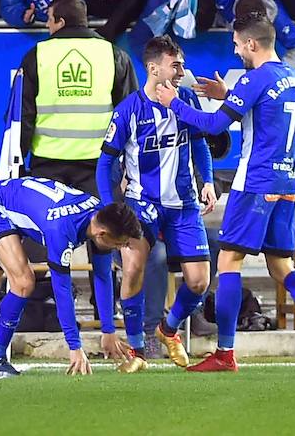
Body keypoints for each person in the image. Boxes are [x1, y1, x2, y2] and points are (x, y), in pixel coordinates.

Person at [154, 13, 295, 372]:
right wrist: (229, 95)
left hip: (255, 182)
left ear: (251, 43)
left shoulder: (255, 78)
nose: (235, 51)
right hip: (287, 182)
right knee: (282, 268)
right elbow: (266, 113)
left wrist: (175, 104)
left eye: (236, 44)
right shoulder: (291, 79)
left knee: (229, 261)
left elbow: (215, 125)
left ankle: (225, 353)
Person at [0, 177, 141, 376]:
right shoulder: (61, 230)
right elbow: (61, 289)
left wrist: (108, 331)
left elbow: (102, 277)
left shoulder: (99, 217)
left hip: (14, 205)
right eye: (120, 244)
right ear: (102, 234)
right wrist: (74, 346)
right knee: (23, 282)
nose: (122, 248)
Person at [96, 35, 217, 372]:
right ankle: (136, 351)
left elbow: (199, 143)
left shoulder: (187, 98)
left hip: (183, 205)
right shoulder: (128, 111)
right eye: (175, 64)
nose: (181, 71)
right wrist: (111, 208)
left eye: (181, 64)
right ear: (153, 67)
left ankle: (167, 330)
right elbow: (105, 163)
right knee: (133, 269)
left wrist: (206, 180)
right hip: (141, 205)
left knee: (198, 282)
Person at [19, 0, 137, 195]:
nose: (47, 25)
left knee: (47, 224)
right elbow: (130, 113)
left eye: (49, 19)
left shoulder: (37, 55)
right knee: (102, 224)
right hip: (100, 165)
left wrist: (19, 164)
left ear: (61, 22)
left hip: (48, 164)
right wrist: (131, 168)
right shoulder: (113, 55)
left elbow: (23, 115)